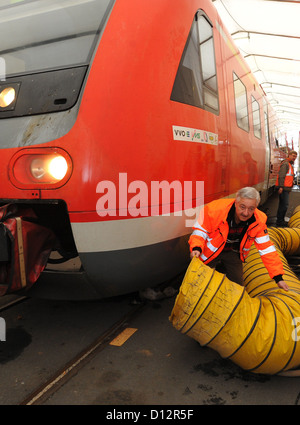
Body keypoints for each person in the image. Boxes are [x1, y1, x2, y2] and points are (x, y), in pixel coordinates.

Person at [189, 187, 288, 291]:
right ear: (236, 203)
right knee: (198, 282)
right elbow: (200, 231)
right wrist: (196, 248)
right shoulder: (215, 210)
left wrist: (278, 277)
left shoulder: (258, 220)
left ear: (256, 207)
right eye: (242, 207)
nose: (246, 213)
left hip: (233, 252)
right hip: (210, 252)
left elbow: (267, 249)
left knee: (238, 287)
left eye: (251, 209)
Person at [276, 150, 298, 227]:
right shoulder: (285, 164)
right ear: (289, 155)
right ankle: (280, 221)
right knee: (284, 205)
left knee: (283, 205)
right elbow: (281, 176)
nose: (294, 157)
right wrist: (281, 187)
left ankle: (280, 220)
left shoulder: (289, 164)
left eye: (296, 156)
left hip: (286, 188)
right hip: (284, 188)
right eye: (293, 155)